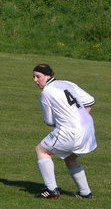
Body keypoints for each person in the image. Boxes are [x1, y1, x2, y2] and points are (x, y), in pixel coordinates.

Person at [32, 64, 97, 199]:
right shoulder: (67, 83)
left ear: (47, 75)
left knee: (41, 150)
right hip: (88, 129)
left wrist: (69, 120)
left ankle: (51, 190)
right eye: (34, 77)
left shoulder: (46, 92)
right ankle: (85, 193)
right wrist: (78, 117)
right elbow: (90, 100)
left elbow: (49, 121)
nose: (35, 80)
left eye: (38, 76)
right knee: (70, 158)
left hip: (70, 131)